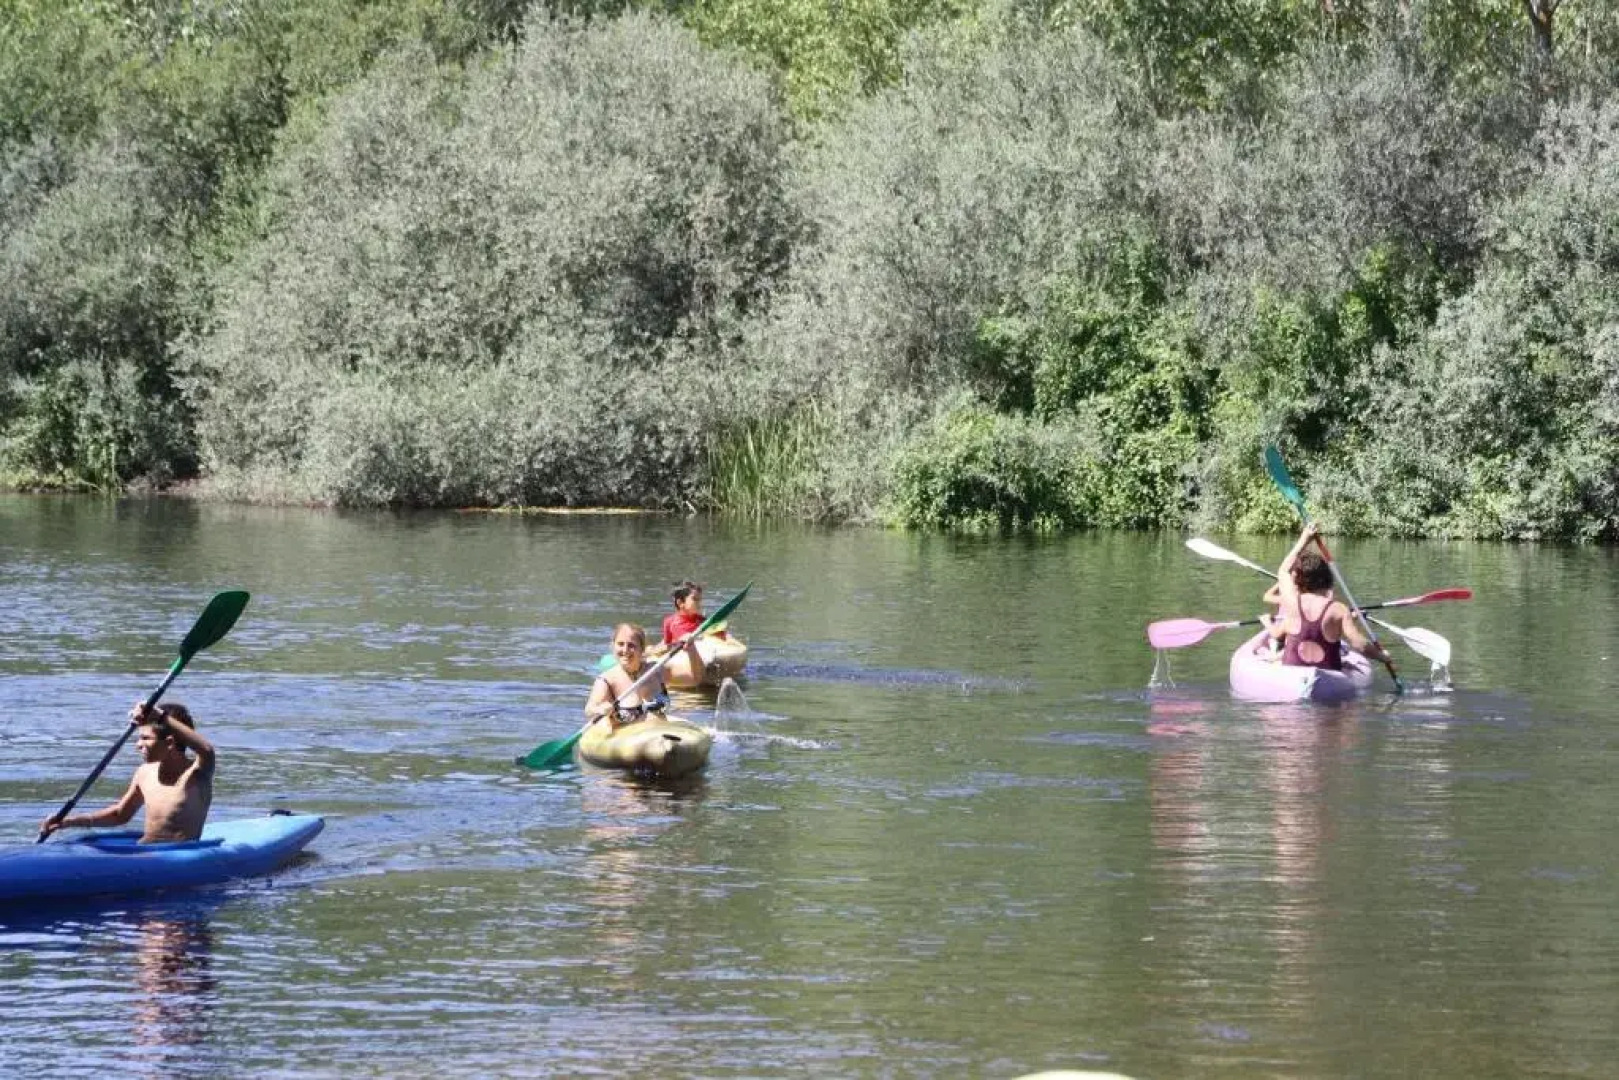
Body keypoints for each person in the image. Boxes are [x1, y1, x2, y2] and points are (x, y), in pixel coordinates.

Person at [39, 702, 215, 844]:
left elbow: (206, 750)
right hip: (144, 852)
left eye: (145, 738)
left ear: (169, 742)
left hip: (176, 859)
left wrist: (160, 716)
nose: (138, 745)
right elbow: (120, 814)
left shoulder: (197, 774)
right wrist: (68, 822)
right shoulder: (145, 772)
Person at [1261, 523, 1392, 670]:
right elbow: (1358, 644)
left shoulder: (1291, 602)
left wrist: (1304, 539)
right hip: (1328, 671)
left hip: (1293, 668)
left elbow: (1284, 570)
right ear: (1328, 579)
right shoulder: (1338, 609)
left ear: (1298, 580)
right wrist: (1383, 657)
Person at [585, 623, 703, 729]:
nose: (625, 650)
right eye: (620, 644)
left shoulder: (656, 670)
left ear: (642, 649)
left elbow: (694, 679)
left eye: (631, 645)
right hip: (628, 745)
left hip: (660, 737)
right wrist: (600, 709)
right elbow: (589, 709)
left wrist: (692, 650)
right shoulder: (606, 680)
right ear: (613, 646)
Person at [661, 580, 719, 648]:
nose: (699, 603)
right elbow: (667, 646)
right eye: (695, 599)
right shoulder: (670, 623)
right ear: (680, 603)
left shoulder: (703, 621)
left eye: (700, 599)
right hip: (682, 653)